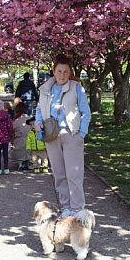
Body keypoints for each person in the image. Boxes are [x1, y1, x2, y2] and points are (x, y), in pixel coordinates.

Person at [34, 54, 91, 218]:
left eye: (66, 71)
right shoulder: (45, 88)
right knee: (59, 173)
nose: (62, 75)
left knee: (74, 173)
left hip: (71, 134)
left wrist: (81, 134)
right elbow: (39, 109)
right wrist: (38, 122)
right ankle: (65, 207)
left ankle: (77, 208)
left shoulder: (76, 87)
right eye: (59, 71)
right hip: (51, 135)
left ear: (70, 72)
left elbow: (86, 112)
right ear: (54, 71)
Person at [0, 100, 14, 175]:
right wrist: (10, 135)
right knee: (5, 153)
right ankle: (6, 168)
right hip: (5, 136)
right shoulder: (6, 115)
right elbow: (9, 126)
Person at [11, 103, 33, 170]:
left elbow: (12, 133)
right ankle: (29, 161)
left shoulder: (16, 121)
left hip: (19, 144)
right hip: (31, 144)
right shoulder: (32, 119)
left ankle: (21, 162)